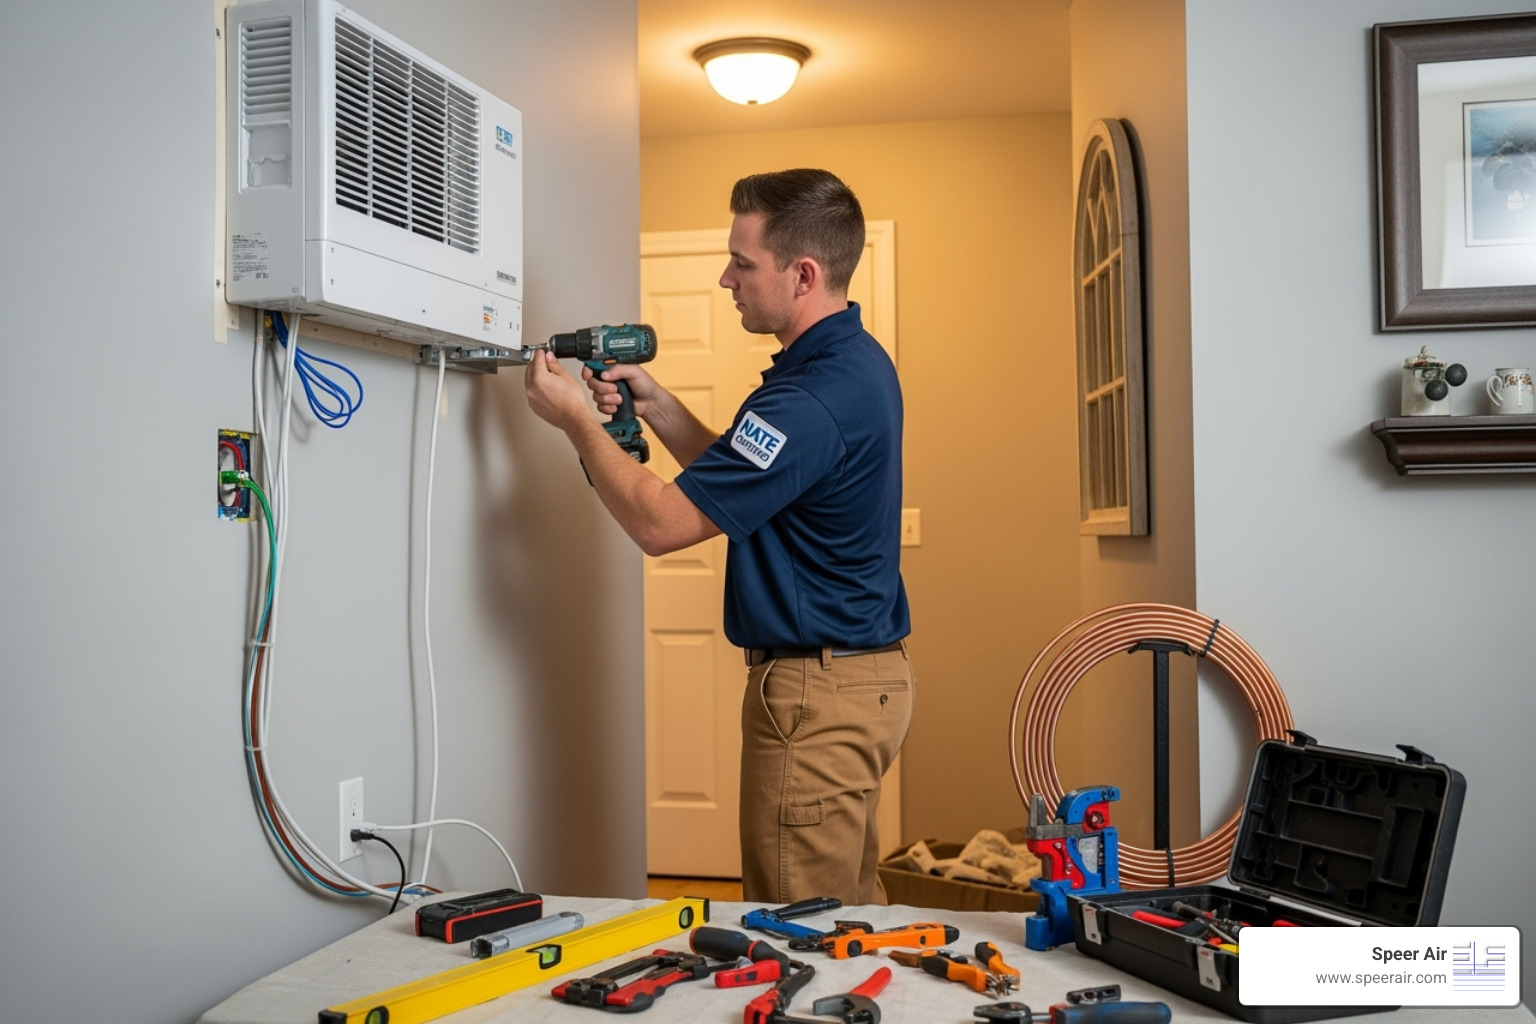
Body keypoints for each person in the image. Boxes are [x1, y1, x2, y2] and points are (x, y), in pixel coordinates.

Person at [524, 168, 912, 905]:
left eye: (742, 261)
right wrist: (659, 404)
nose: (725, 277)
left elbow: (661, 523)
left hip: (815, 695)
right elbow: (751, 487)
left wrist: (576, 419)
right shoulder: (849, 366)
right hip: (857, 682)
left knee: (802, 925)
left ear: (802, 274)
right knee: (846, 915)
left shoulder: (808, 399)